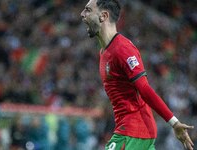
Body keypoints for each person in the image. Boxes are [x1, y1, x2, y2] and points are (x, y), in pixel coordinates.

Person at [80, 0, 194, 150]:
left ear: (103, 16)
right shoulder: (104, 53)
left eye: (88, 10)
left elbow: (144, 89)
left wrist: (174, 123)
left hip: (134, 131)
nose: (82, 14)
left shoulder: (122, 49)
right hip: (134, 132)